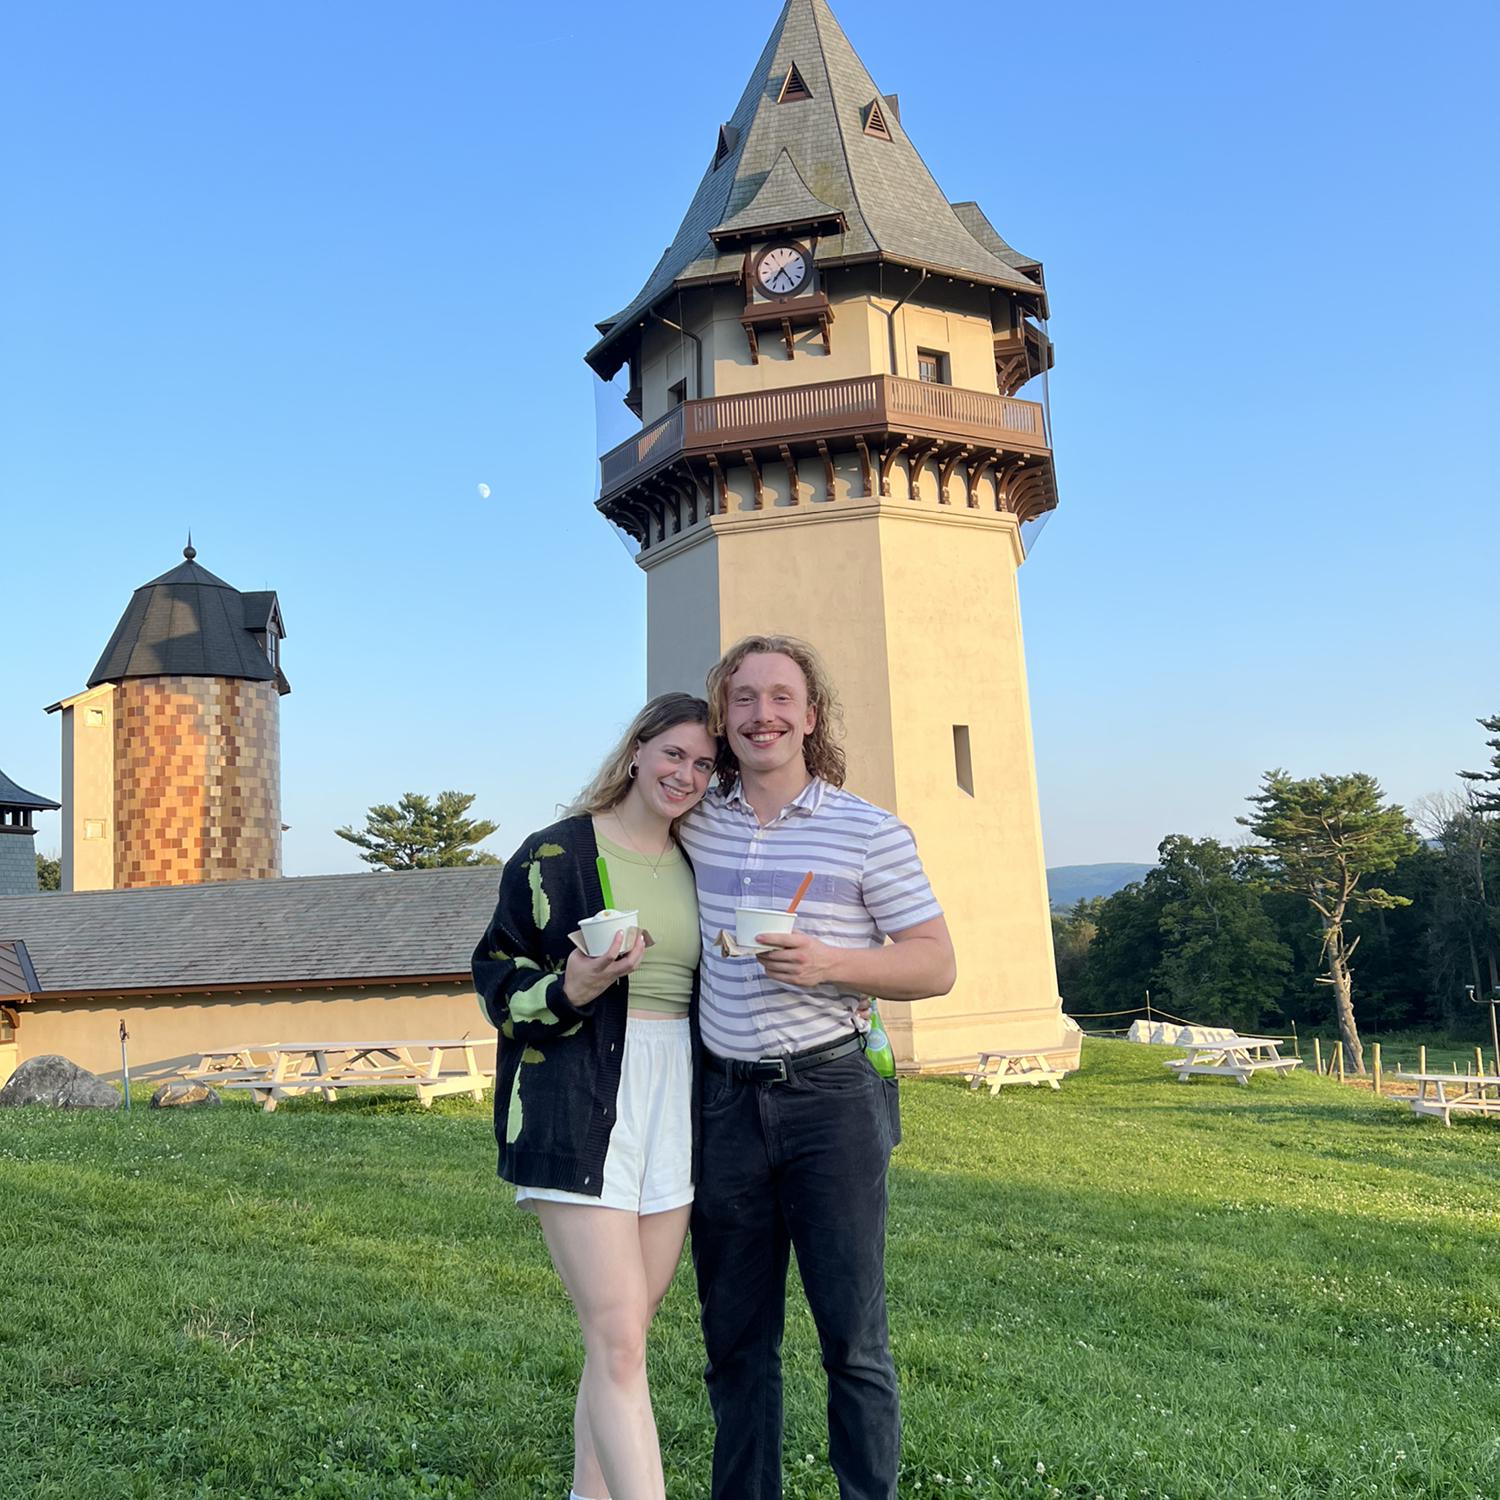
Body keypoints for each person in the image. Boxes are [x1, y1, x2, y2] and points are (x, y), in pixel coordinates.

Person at [677, 635, 957, 1500]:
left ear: (812, 715)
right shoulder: (694, 816)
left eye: (782, 697)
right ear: (723, 718)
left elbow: (934, 964)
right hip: (721, 1100)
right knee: (735, 1340)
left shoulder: (868, 831)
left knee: (853, 1339)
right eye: (745, 698)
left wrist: (831, 962)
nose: (764, 714)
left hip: (830, 1098)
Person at [471, 693, 720, 1500]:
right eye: (674, 754)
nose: (686, 774)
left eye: (704, 764)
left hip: (674, 1102)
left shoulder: (700, 859)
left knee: (623, 1339)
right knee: (618, 1341)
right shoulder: (555, 858)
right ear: (638, 751)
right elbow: (497, 982)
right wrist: (570, 986)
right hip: (577, 1100)